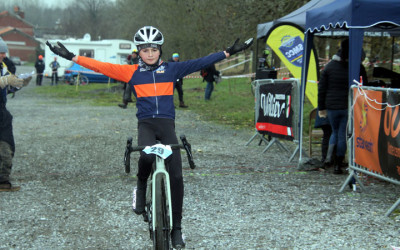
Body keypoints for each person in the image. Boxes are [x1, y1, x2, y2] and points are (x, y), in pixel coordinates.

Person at [46, 26, 253, 248]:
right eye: (145, 50)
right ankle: (141, 186)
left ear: (160, 50)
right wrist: (70, 56)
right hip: (146, 124)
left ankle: (177, 229)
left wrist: (228, 52)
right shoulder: (131, 72)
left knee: (176, 176)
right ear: (139, 52)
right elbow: (101, 66)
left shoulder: (172, 70)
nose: (150, 54)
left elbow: (200, 62)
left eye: (154, 49)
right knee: (145, 157)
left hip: (166, 125)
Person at [318, 39, 367, 174]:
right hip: (348, 106)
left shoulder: (329, 67)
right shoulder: (357, 67)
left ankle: (329, 159)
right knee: (342, 135)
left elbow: (321, 89)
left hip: (332, 106)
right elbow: (365, 86)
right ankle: (338, 164)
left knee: (334, 132)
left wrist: (321, 107)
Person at [0, 38, 31, 192]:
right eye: (0, 52)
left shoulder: (3, 66)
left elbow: (7, 86)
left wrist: (19, 84)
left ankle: (3, 180)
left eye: (4, 52)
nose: (3, 55)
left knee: (7, 146)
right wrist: (4, 80)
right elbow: (4, 81)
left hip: (1, 111)